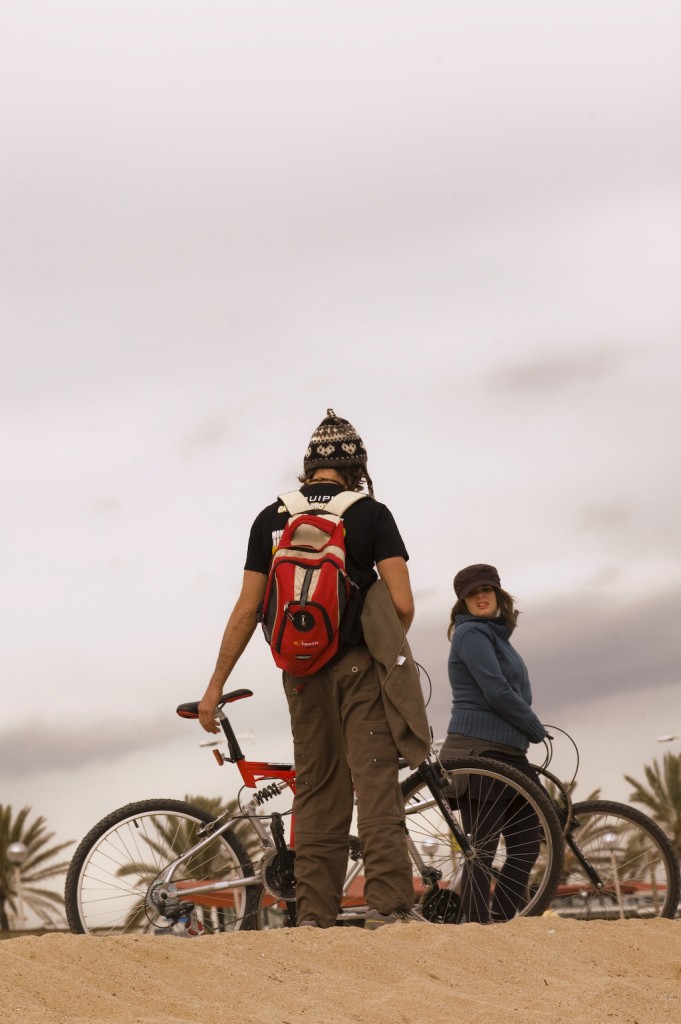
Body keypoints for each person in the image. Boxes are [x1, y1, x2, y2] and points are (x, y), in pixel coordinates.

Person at [198, 409, 430, 929]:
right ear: (357, 468)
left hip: (299, 674)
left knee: (319, 792)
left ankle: (314, 918)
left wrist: (214, 685)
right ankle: (389, 910)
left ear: (309, 469)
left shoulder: (271, 519)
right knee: (373, 785)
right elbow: (404, 603)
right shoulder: (371, 515)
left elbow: (246, 610)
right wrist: (380, 657)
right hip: (357, 667)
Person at [440, 563, 548, 924]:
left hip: (510, 754)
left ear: (498, 594)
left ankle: (501, 923)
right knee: (481, 851)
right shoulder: (470, 634)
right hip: (478, 751)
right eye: (472, 593)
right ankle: (475, 930)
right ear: (463, 602)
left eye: (486, 590)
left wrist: (524, 732)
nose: (481, 597)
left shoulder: (496, 636)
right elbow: (496, 691)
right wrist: (533, 725)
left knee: (528, 844)